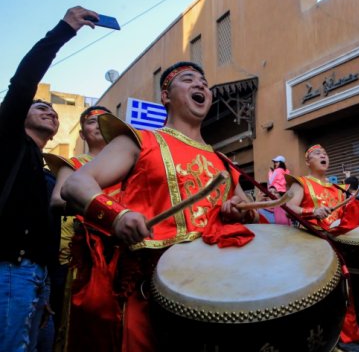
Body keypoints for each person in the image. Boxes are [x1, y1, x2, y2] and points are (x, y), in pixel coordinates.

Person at [60, 61, 257, 351]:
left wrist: (240, 209)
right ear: (165, 96)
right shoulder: (141, 140)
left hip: (216, 293)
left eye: (204, 82)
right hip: (150, 294)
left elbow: (248, 210)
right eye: (189, 80)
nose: (201, 85)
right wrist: (117, 216)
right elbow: (75, 185)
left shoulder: (222, 162)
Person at [0, 6, 97, 351]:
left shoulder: (45, 172)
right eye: (40, 108)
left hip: (38, 277)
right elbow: (23, 81)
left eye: (54, 112)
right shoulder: (9, 141)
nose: (50, 112)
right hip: (10, 268)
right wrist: (64, 30)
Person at [45, 106, 121, 351]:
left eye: (104, 121)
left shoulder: (125, 165)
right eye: (91, 122)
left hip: (121, 250)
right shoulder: (74, 163)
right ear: (82, 133)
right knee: (79, 317)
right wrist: (101, 208)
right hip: (81, 252)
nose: (98, 125)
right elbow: (57, 201)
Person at [285, 144, 359, 350]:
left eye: (326, 154)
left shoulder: (337, 188)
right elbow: (289, 206)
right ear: (308, 161)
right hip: (310, 245)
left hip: (335, 245)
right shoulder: (301, 183)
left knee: (340, 291)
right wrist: (311, 211)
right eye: (318, 154)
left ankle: (342, 335)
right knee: (316, 293)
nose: (323, 156)